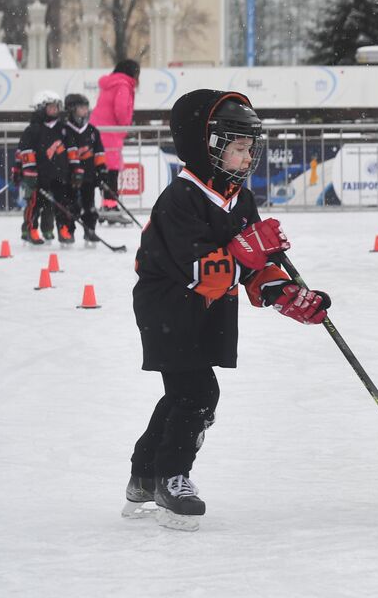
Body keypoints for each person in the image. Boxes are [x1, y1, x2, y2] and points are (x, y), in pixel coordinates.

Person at [124, 89, 331, 531]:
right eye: (238, 148)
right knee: (197, 395)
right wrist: (246, 251)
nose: (247, 156)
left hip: (211, 310)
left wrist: (290, 295)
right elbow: (205, 271)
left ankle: (144, 474)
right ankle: (170, 477)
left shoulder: (241, 198)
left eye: (250, 148)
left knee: (183, 395)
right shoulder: (180, 199)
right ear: (209, 149)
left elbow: (256, 270)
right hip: (169, 307)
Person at [13, 90, 66, 245]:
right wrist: (24, 172)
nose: (54, 110)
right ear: (41, 109)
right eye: (50, 107)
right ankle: (29, 229)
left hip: (52, 175)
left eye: (56, 107)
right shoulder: (33, 129)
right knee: (34, 203)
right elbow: (23, 151)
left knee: (49, 203)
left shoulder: (60, 128)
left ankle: (47, 229)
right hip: (34, 175)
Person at [90, 59, 139, 224]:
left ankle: (107, 206)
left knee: (104, 171)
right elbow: (121, 109)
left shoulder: (111, 83)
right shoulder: (123, 85)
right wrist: (125, 126)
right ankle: (110, 208)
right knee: (111, 172)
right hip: (110, 132)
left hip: (100, 130)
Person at [62, 93, 108, 244]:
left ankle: (90, 230)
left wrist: (101, 170)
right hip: (70, 177)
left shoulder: (92, 131)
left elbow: (99, 152)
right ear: (72, 109)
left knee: (90, 206)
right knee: (71, 205)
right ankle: (68, 231)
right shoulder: (64, 130)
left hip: (88, 176)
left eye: (86, 107)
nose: (85, 110)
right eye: (81, 107)